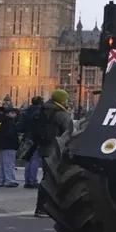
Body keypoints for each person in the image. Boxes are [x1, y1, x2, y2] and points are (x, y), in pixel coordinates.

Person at [34, 89, 75, 217]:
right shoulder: (61, 114)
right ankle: (44, 208)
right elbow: (69, 133)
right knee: (53, 180)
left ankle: (41, 208)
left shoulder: (43, 109)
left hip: (43, 147)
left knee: (46, 178)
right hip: (55, 149)